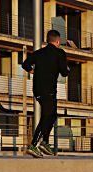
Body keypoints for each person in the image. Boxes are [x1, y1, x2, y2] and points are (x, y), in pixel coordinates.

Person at [22, 30, 69, 158]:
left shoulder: (38, 53)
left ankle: (45, 142)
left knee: (52, 115)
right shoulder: (60, 53)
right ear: (58, 41)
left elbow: (25, 64)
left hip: (37, 90)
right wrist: (67, 68)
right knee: (46, 116)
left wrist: (32, 71)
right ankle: (33, 145)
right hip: (49, 90)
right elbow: (65, 72)